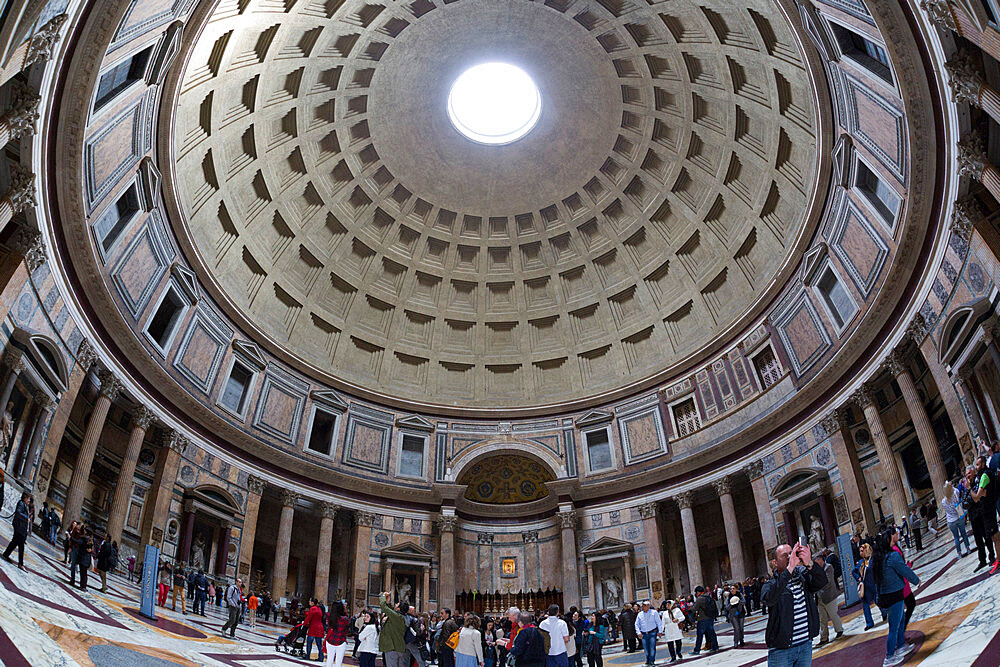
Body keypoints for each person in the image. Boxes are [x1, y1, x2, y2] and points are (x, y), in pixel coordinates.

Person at [760, 542, 827, 666]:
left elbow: (822, 582)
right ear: (775, 563)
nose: (790, 557)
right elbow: (769, 599)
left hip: (805, 645)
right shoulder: (770, 584)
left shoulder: (803, 575)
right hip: (782, 650)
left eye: (791, 553)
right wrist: (789, 568)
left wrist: (809, 563)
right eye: (784, 555)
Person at [872, 526, 919, 667]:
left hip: (886, 595)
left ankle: (901, 645)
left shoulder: (879, 557)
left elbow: (876, 580)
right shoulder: (892, 556)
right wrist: (916, 580)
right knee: (894, 626)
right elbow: (904, 569)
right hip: (894, 595)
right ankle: (889, 656)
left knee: (900, 619)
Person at [971, 455, 1000, 573]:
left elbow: (977, 497)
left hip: (987, 509)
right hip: (990, 507)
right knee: (995, 536)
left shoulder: (984, 476)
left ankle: (998, 560)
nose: (976, 467)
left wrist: (969, 489)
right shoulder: (988, 473)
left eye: (977, 465)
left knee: (995, 537)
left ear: (983, 464)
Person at [813, 553, 843, 645]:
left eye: (816, 562)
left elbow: (828, 582)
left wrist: (816, 586)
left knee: (833, 614)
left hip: (829, 595)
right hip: (819, 597)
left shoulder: (828, 567)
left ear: (821, 560)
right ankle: (824, 638)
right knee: (822, 618)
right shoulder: (815, 570)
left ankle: (839, 630)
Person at [852, 540, 879, 630]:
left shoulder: (873, 559)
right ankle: (869, 623)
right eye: (860, 551)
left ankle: (884, 613)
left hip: (874, 584)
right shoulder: (860, 562)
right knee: (865, 605)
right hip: (865, 586)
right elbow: (853, 571)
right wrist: (858, 578)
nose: (860, 553)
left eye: (862, 551)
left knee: (878, 601)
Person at [2, 491, 32, 569]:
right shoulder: (21, 503)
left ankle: (6, 554)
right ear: (25, 498)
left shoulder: (24, 504)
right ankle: (21, 564)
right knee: (21, 546)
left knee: (14, 542)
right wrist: (26, 518)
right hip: (19, 527)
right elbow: (18, 513)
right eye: (28, 498)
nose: (29, 500)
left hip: (21, 527)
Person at [942, 481, 971, 557]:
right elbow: (956, 490)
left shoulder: (943, 501)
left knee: (956, 537)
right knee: (963, 533)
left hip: (951, 521)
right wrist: (951, 486)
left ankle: (959, 553)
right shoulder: (955, 493)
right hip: (959, 517)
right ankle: (968, 548)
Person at [380, 590, 408, 667]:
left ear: (398, 609)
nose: (395, 604)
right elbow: (390, 610)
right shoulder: (402, 617)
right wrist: (388, 602)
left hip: (393, 647)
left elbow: (383, 607)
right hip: (400, 647)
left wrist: (383, 597)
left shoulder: (396, 617)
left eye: (397, 604)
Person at [690, 587, 718, 655]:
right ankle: (715, 647)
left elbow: (694, 609)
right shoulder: (709, 597)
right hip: (710, 618)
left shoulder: (699, 599)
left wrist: (691, 606)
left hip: (702, 619)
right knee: (712, 633)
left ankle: (697, 650)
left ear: (698, 592)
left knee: (700, 635)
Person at [632, 599, 661, 665]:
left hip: (652, 632)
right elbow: (636, 624)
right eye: (643, 605)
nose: (644, 607)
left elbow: (658, 622)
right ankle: (648, 659)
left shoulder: (654, 612)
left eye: (645, 605)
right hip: (644, 634)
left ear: (648, 606)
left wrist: (660, 631)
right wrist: (638, 632)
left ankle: (652, 660)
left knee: (652, 647)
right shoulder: (640, 614)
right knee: (646, 649)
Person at [325, 600, 351, 667]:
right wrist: (344, 610)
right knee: (338, 662)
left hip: (330, 640)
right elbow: (348, 621)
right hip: (340, 641)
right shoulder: (344, 619)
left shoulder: (328, 616)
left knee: (329, 660)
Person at [76, 526, 93, 590]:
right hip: (86, 558)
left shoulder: (84, 539)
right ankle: (83, 586)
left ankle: (83, 586)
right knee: (84, 573)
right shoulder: (90, 540)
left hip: (83, 558)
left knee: (83, 573)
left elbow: (80, 543)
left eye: (85, 530)